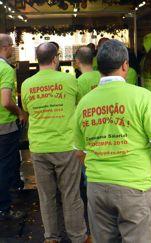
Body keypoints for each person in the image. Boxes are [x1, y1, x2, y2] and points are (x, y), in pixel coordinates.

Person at [74, 40, 151, 242]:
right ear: (125, 65)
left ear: (98, 67)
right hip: (135, 186)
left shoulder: (85, 102)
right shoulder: (142, 97)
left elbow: (79, 152)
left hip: (97, 187)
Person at [21, 42, 87, 242]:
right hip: (66, 146)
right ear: (55, 59)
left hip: (39, 147)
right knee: (71, 195)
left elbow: (26, 110)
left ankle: (51, 237)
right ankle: (78, 237)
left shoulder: (26, 85)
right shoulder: (69, 80)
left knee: (46, 196)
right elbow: (80, 104)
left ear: (37, 60)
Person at [0, 33, 27, 221]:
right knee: (4, 167)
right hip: (4, 126)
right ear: (6, 47)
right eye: (12, 45)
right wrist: (20, 112)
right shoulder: (5, 69)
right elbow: (6, 101)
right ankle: (4, 207)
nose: (12, 49)